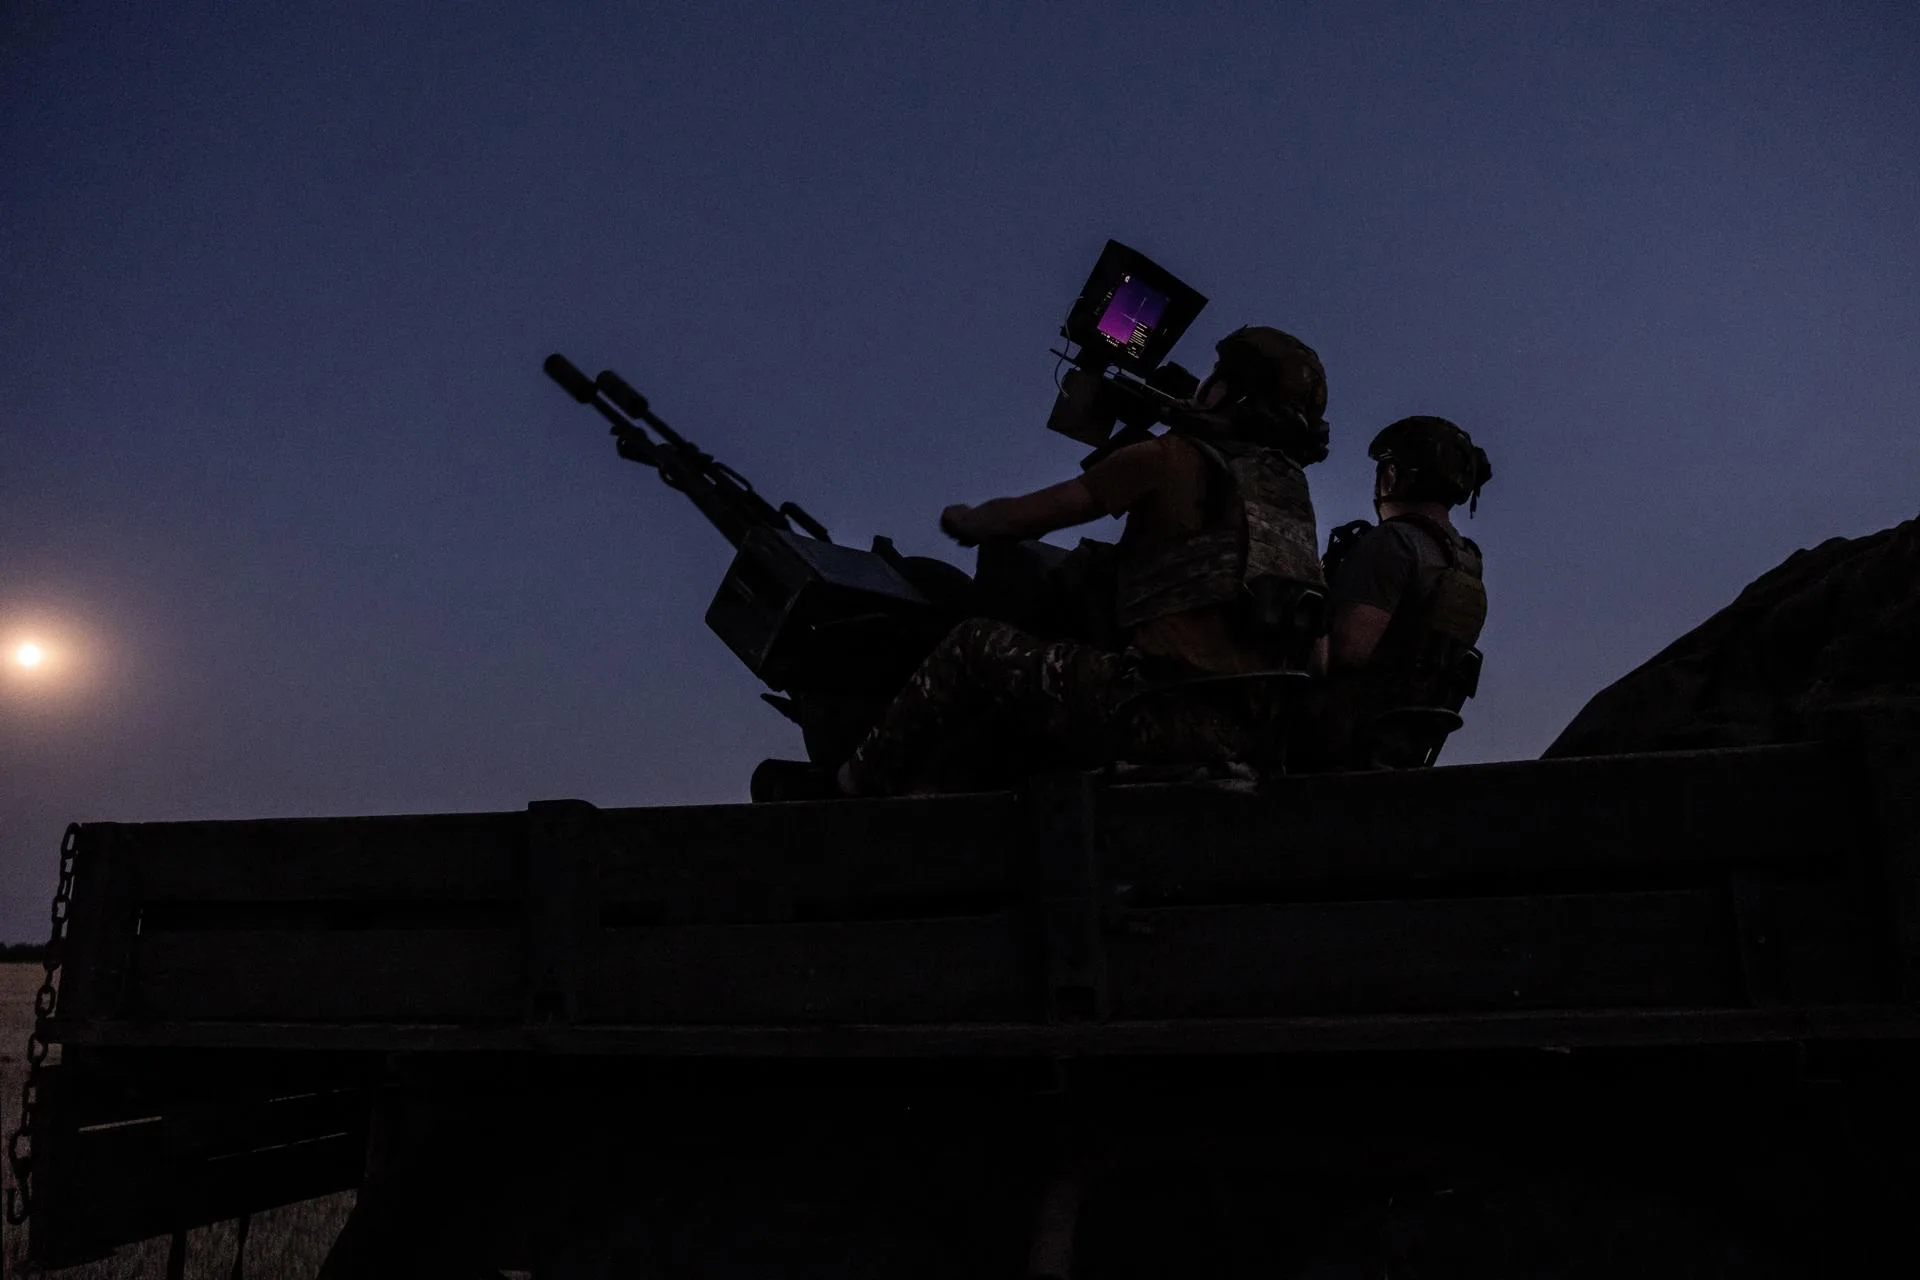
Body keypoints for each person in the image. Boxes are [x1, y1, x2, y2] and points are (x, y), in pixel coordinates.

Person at [826, 326, 1333, 797]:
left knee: (971, 645)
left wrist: (967, 518)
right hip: (1257, 742)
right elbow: (1319, 658)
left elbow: (1020, 521)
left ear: (1230, 392)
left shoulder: (1170, 456)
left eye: (1215, 377)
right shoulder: (1292, 505)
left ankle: (847, 791)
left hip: (1154, 716)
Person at [1313, 415, 1492, 769]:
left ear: (1392, 476)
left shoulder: (1392, 543)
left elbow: (1345, 653)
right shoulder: (1466, 560)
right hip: (1400, 748)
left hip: (1340, 745)